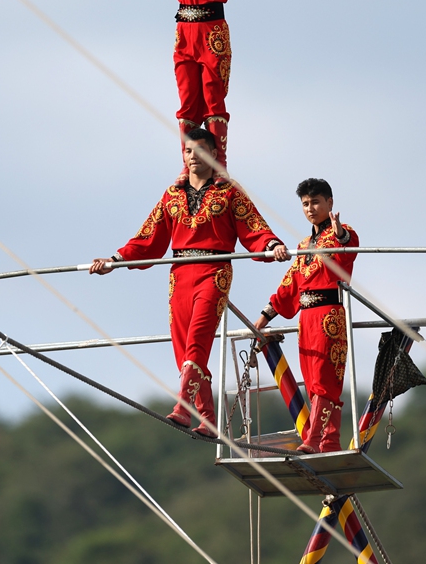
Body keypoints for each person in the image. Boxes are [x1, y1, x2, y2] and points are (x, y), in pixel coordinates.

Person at [85, 0, 318, 180]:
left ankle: (219, 167)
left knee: (213, 100)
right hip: (183, 32)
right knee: (187, 102)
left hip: (213, 32)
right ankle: (187, 166)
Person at [90, 128, 289, 437]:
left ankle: (183, 407)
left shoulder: (229, 192)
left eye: (199, 149)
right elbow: (147, 238)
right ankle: (208, 419)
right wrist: (114, 261)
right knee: (183, 349)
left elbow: (254, 229)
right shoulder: (171, 195)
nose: (192, 155)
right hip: (180, 273)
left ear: (214, 153)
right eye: (187, 151)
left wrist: (272, 245)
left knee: (198, 339)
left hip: (214, 271)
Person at [254, 178, 358, 453]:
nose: (310, 208)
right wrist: (264, 318)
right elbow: (290, 285)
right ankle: (329, 443)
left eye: (315, 202)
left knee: (325, 381)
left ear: (329, 203)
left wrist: (339, 236)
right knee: (313, 383)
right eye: (305, 204)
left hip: (328, 316)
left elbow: (348, 251)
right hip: (306, 319)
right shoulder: (303, 245)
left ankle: (312, 440)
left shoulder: (342, 233)